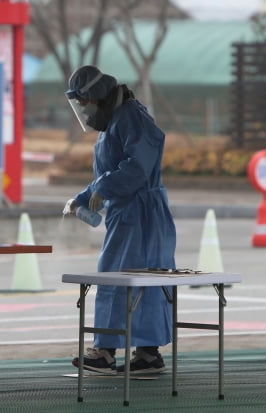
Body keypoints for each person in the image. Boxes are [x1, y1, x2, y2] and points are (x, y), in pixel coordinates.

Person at [63, 65, 177, 374]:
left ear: (98, 97)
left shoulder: (131, 117)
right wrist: (85, 197)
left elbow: (137, 166)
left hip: (141, 216)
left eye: (85, 103)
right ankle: (145, 353)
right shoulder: (117, 121)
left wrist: (102, 188)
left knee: (127, 279)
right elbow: (110, 172)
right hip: (129, 214)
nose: (84, 112)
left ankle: (108, 351)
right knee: (133, 280)